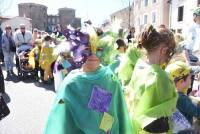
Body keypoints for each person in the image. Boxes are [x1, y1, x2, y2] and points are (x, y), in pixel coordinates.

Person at [44, 27, 134, 134]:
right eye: (87, 49)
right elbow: (62, 119)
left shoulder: (111, 79)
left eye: (99, 49)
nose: (93, 54)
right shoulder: (71, 83)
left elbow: (119, 111)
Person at [127, 25, 177, 133]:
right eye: (170, 53)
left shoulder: (139, 66)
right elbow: (161, 122)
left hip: (133, 128)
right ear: (164, 51)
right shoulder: (160, 77)